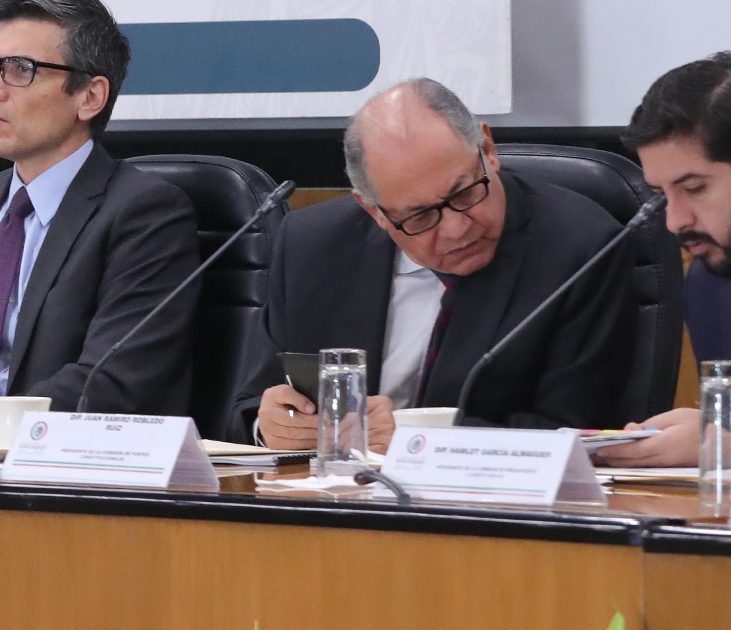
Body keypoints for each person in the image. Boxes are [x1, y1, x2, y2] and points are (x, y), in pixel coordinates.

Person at [243, 78, 633, 449]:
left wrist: (417, 438)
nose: (456, 228)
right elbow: (249, 404)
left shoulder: (580, 248)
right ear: (374, 210)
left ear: (487, 149)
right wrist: (272, 425)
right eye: (420, 216)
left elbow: (576, 436)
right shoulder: (312, 246)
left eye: (464, 193)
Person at [0, 0, 200, 425]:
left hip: (61, 457)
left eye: (19, 69)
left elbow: (111, 383)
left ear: (90, 97)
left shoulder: (145, 213)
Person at [594, 55, 731, 467]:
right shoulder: (712, 284)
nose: (674, 222)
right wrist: (710, 429)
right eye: (661, 195)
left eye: (695, 188)